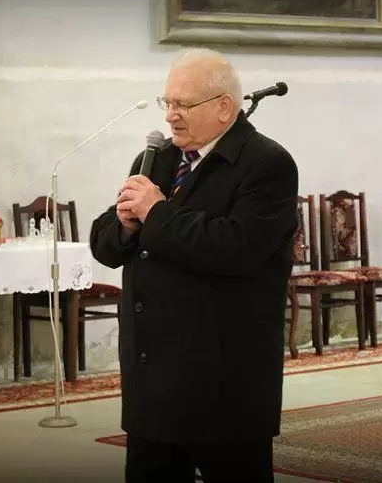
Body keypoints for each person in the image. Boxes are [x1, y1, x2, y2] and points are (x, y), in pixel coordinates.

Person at [89, 47, 299, 483]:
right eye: (167, 102)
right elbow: (106, 246)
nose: (170, 116)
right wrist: (125, 225)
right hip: (153, 376)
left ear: (224, 107)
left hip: (223, 381)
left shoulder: (267, 164)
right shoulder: (158, 158)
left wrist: (155, 213)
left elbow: (236, 248)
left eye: (182, 105)